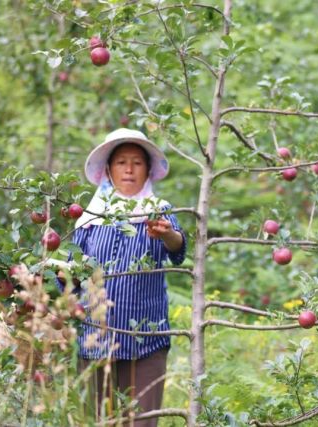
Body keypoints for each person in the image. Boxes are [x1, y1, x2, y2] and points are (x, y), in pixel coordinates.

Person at [64, 128, 186, 426]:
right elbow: (70, 273)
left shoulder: (160, 212)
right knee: (99, 421)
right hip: (95, 339)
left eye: (137, 162)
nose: (129, 169)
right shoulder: (90, 218)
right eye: (121, 162)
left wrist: (168, 234)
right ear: (109, 170)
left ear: (148, 171)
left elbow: (178, 249)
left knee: (143, 421)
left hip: (147, 340)